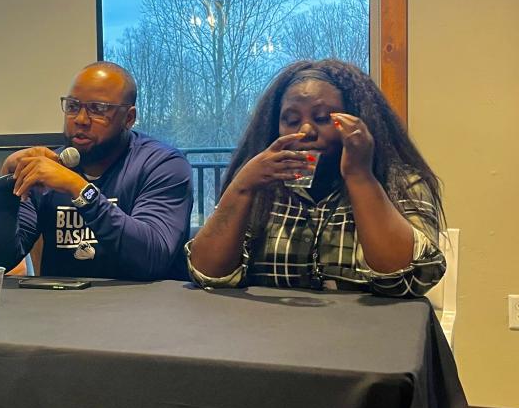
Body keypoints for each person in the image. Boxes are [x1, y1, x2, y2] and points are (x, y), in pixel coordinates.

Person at [185, 59, 445, 296]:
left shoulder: (401, 183)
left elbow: (408, 280)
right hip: (267, 336)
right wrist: (241, 187)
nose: (306, 130)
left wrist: (359, 176)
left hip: (369, 339)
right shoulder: (261, 187)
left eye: (322, 118)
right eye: (291, 120)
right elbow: (209, 275)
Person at [0, 62, 193, 281]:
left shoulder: (162, 165)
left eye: (98, 109)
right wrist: (5, 191)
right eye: (72, 106)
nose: (80, 119)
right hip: (61, 309)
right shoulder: (49, 168)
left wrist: (79, 189)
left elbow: (152, 259)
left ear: (129, 118)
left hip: (143, 309)